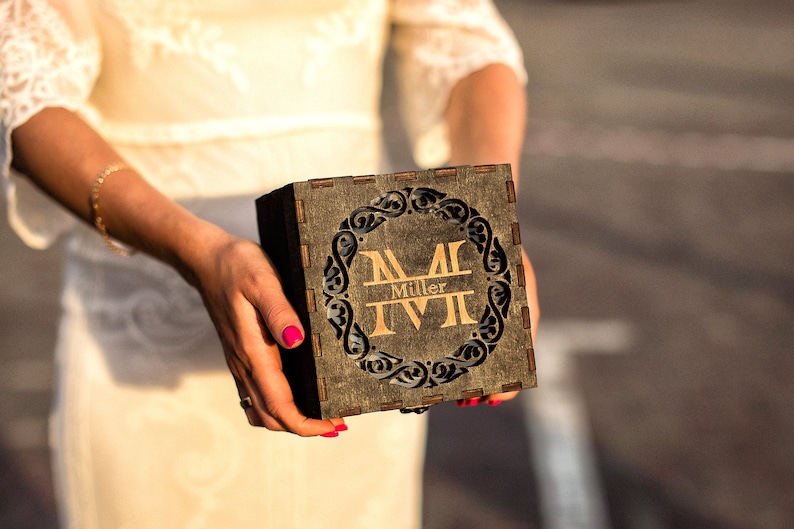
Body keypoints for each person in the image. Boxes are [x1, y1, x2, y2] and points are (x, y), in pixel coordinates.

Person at [1, 0, 539, 527]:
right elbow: (26, 98)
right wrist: (194, 251)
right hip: (149, 347)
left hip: (364, 326)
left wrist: (484, 219)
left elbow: (466, 41)